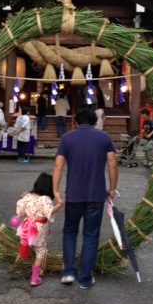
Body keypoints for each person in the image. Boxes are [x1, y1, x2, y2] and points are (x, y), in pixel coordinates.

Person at [52, 108, 118, 289]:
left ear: (75, 121)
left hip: (73, 195)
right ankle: (85, 278)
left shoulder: (67, 138)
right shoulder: (104, 138)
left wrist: (55, 191)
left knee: (70, 232)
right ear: (95, 122)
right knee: (90, 235)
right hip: (96, 195)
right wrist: (112, 188)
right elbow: (112, 163)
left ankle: (68, 274)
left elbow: (58, 165)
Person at [16, 173, 63, 286]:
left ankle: (24, 259)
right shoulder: (45, 199)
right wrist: (60, 204)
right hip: (39, 227)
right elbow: (49, 212)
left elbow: (19, 212)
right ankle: (34, 278)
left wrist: (24, 198)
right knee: (40, 250)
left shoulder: (28, 196)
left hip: (27, 225)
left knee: (29, 243)